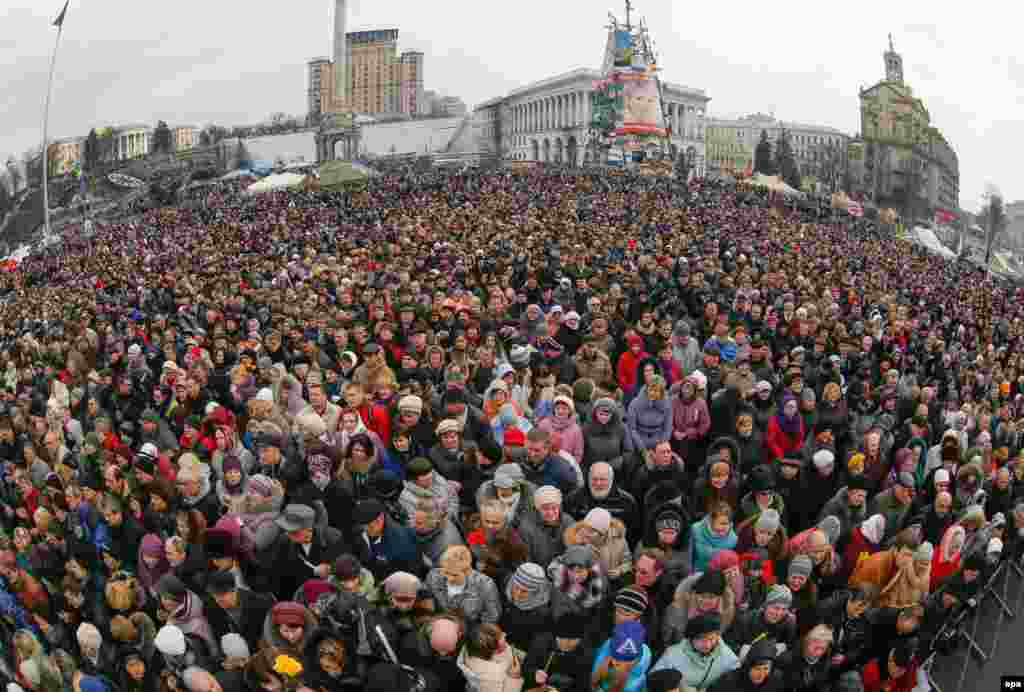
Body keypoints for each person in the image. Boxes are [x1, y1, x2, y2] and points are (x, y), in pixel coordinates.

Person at [650, 612, 739, 690]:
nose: (707, 645)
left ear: (717, 636)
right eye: (701, 639)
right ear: (691, 638)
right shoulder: (672, 655)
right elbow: (654, 682)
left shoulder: (726, 654)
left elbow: (737, 678)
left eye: (711, 639)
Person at [591, 621, 652, 692]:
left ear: (633, 662)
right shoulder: (646, 650)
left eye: (619, 662)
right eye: (614, 655)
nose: (613, 662)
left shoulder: (630, 687)